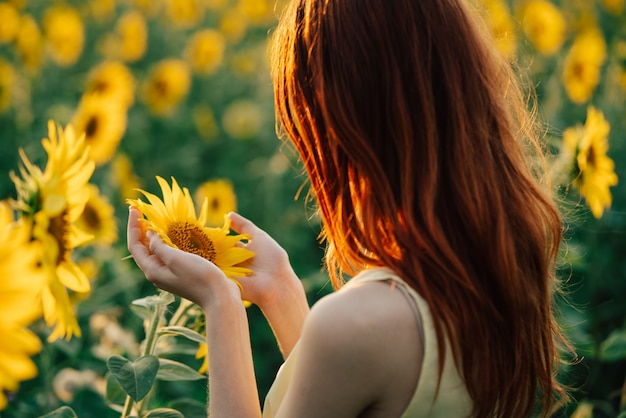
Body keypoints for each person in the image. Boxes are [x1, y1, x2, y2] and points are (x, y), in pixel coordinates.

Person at [127, 0, 573, 416]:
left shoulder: (360, 324)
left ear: (345, 125)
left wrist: (219, 302)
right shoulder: (488, 270)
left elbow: (357, 352)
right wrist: (282, 292)